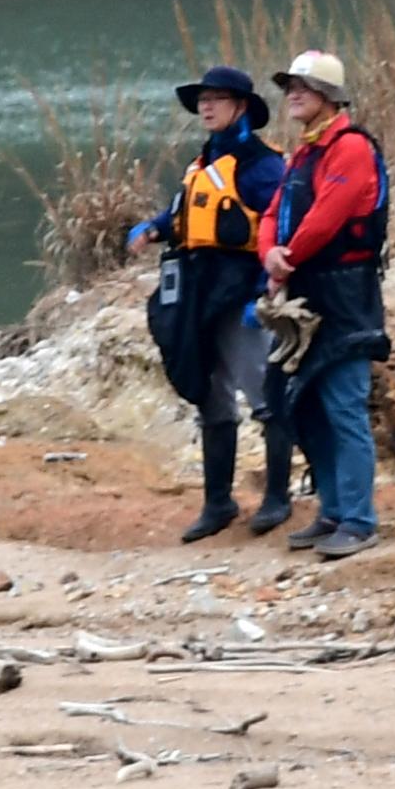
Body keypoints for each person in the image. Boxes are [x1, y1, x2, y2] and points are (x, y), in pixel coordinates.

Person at [128, 64, 291, 541]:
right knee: (210, 397)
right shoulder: (202, 164)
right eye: (202, 98)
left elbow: (282, 227)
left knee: (265, 395)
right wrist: (154, 228)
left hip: (241, 295)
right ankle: (217, 503)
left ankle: (278, 498)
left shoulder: (263, 167)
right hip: (200, 296)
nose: (205, 105)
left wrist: (265, 290)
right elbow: (185, 213)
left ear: (241, 107)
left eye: (216, 98)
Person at [256, 49, 390, 560]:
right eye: (290, 85)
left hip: (344, 294)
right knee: (302, 405)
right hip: (305, 288)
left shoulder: (349, 149)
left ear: (329, 97)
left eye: (303, 87)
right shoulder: (305, 152)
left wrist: (284, 258)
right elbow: (273, 212)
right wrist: (270, 251)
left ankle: (358, 519)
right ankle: (334, 510)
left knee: (343, 405)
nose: (292, 93)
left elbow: (328, 216)